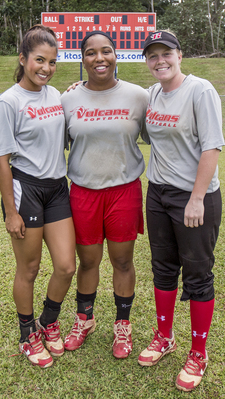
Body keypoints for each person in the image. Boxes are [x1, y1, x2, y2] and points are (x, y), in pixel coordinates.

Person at [137, 30, 225, 392]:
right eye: (153, 55)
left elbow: (212, 147)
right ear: (147, 61)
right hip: (157, 193)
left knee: (198, 274)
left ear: (180, 55)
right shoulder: (154, 94)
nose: (160, 60)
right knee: (163, 268)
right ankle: (164, 336)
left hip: (194, 196)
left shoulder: (200, 90)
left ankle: (199, 353)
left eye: (166, 53)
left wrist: (196, 198)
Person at [0, 25, 76, 368]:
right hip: (26, 191)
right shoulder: (7, 102)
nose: (46, 68)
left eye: (52, 62)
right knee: (29, 268)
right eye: (39, 60)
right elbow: (1, 160)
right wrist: (11, 212)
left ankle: (48, 321)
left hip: (57, 188)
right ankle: (28, 334)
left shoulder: (55, 95)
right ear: (23, 59)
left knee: (67, 266)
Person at [60, 31, 149, 359]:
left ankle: (122, 326)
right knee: (88, 261)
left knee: (123, 260)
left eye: (107, 51)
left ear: (117, 55)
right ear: (81, 59)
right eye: (91, 53)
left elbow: (160, 135)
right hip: (83, 191)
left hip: (124, 190)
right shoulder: (67, 100)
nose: (100, 58)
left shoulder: (138, 96)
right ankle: (85, 319)